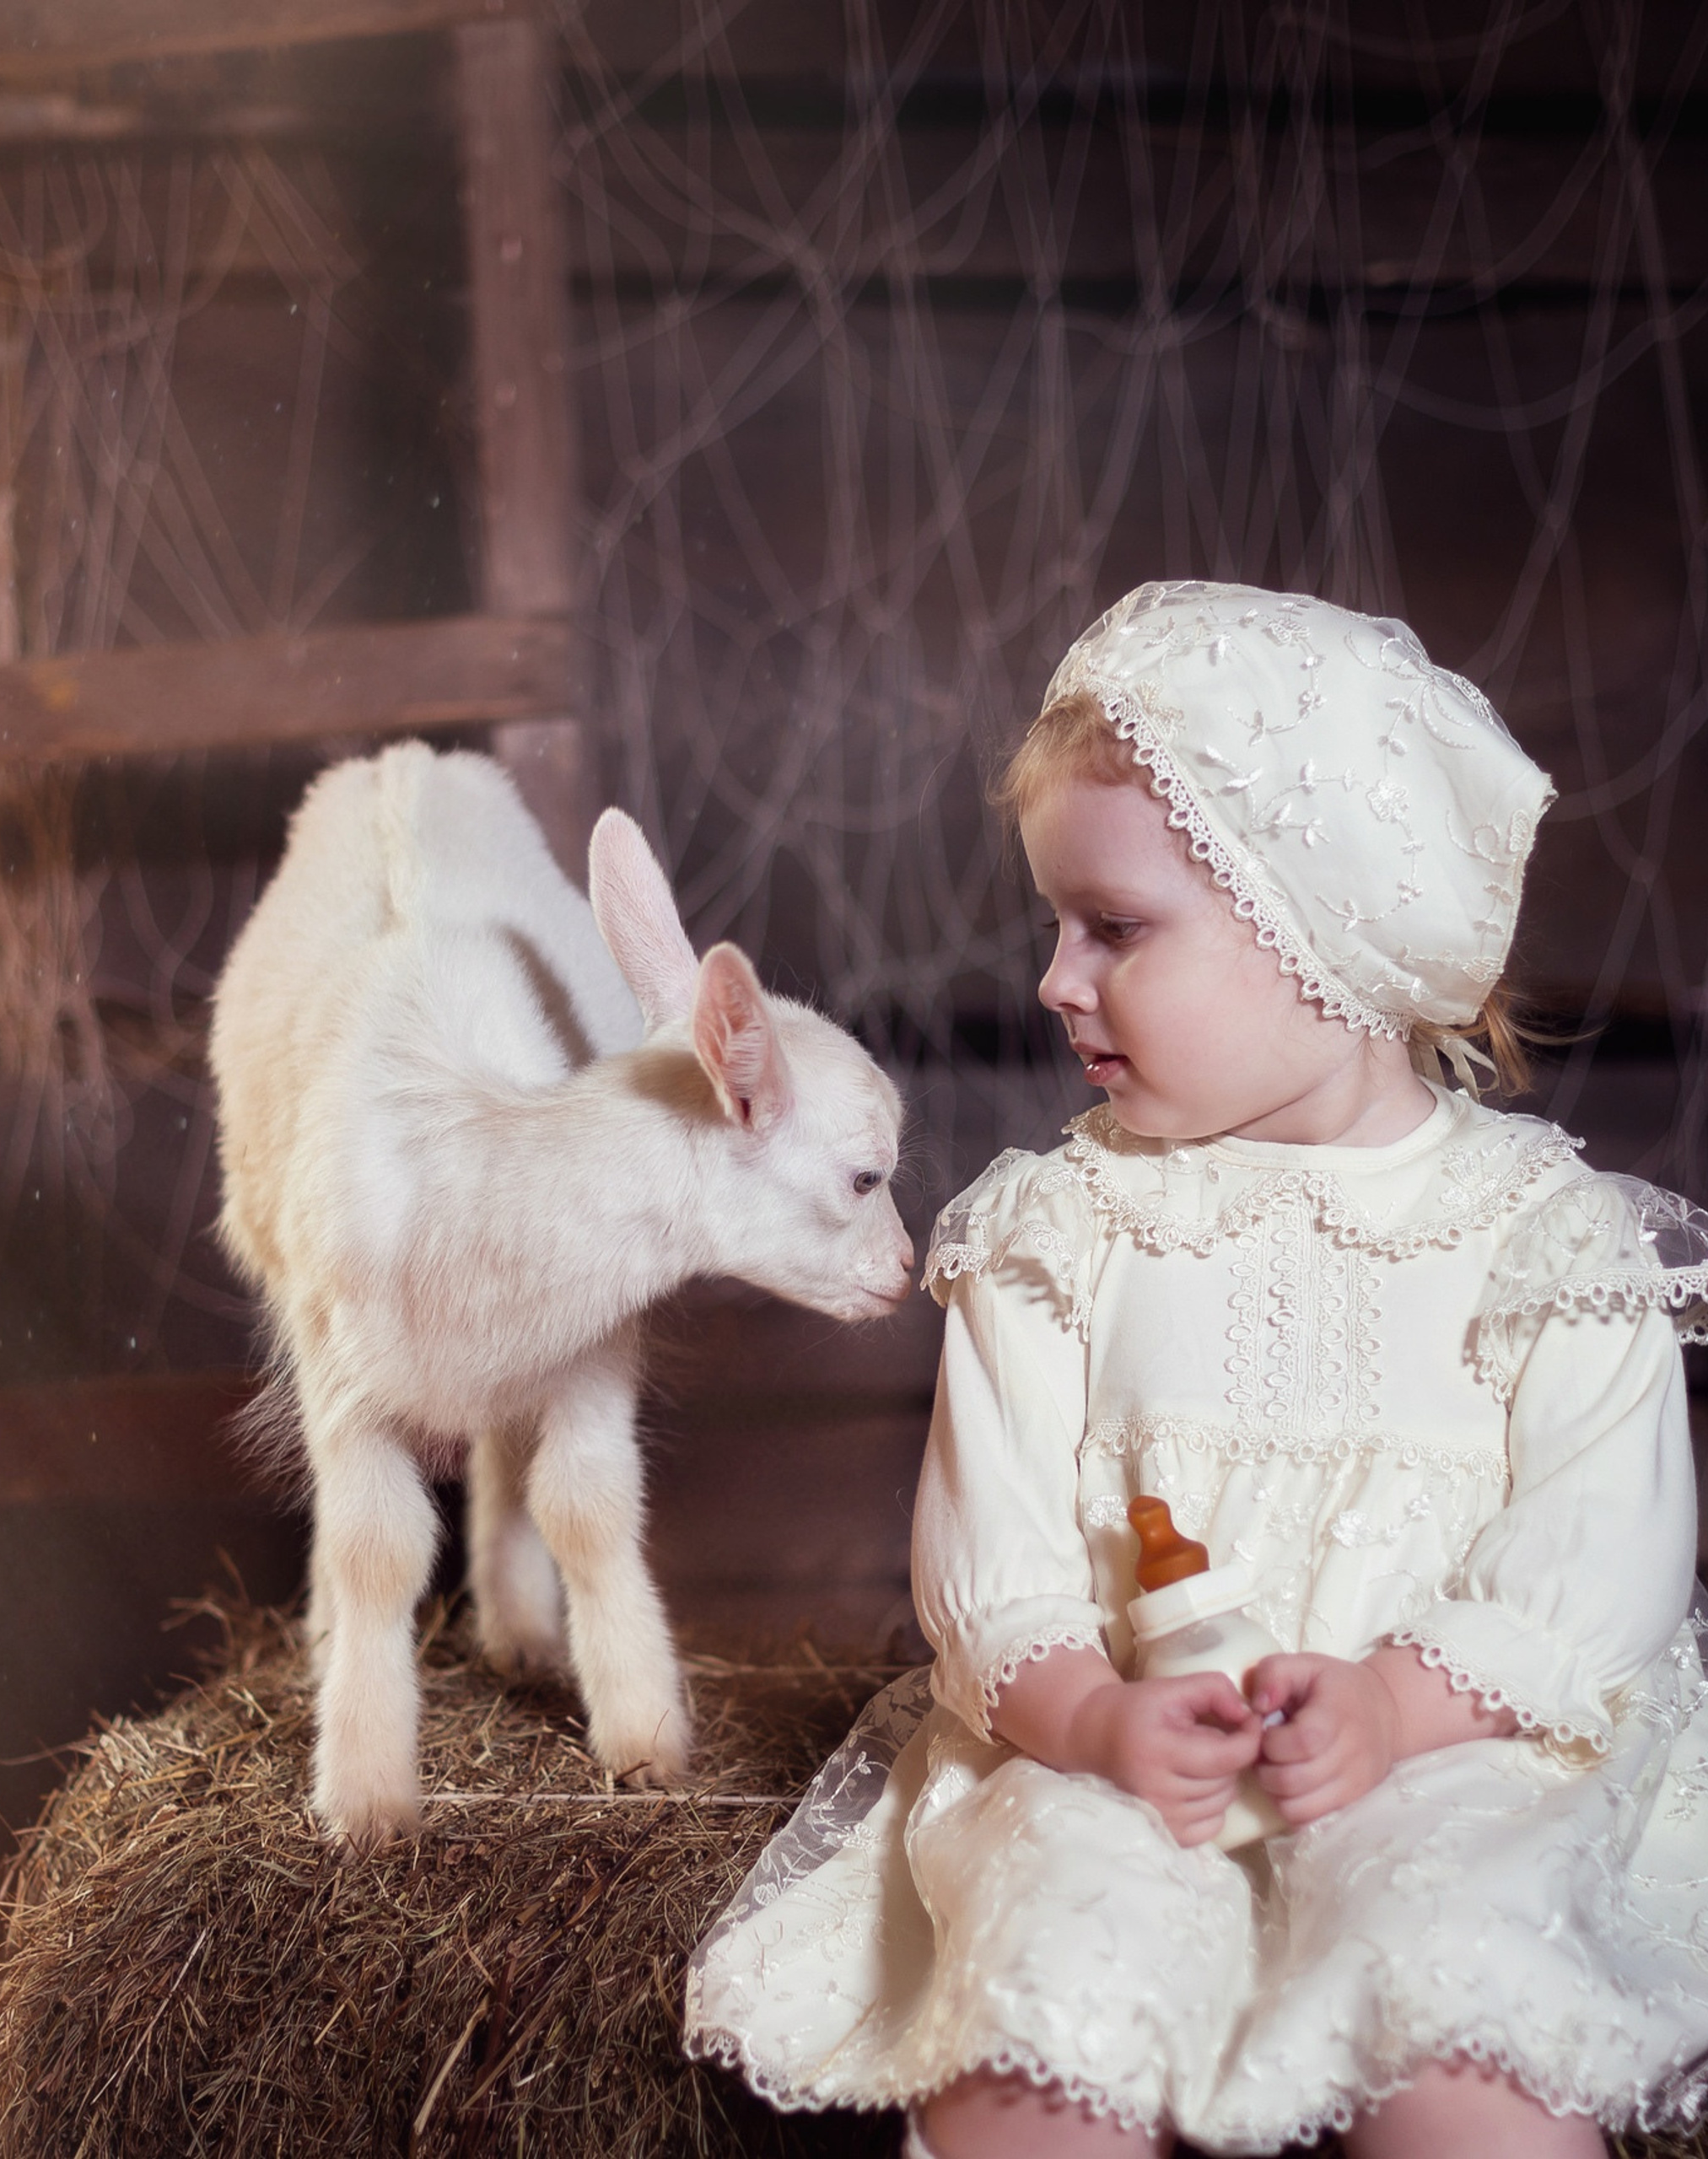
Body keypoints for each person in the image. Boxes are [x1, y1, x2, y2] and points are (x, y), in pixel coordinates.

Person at [683, 582, 1708, 2157]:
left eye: (1117, 928)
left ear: (1320, 930)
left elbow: (1603, 1555)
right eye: (1054, 923)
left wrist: (1391, 1702)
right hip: (1118, 1751)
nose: (1054, 979)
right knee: (1047, 2015)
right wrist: (1093, 1721)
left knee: (1465, 2015)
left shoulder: (1535, 1232)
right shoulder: (1058, 1228)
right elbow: (994, 1558)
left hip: (1443, 1750)